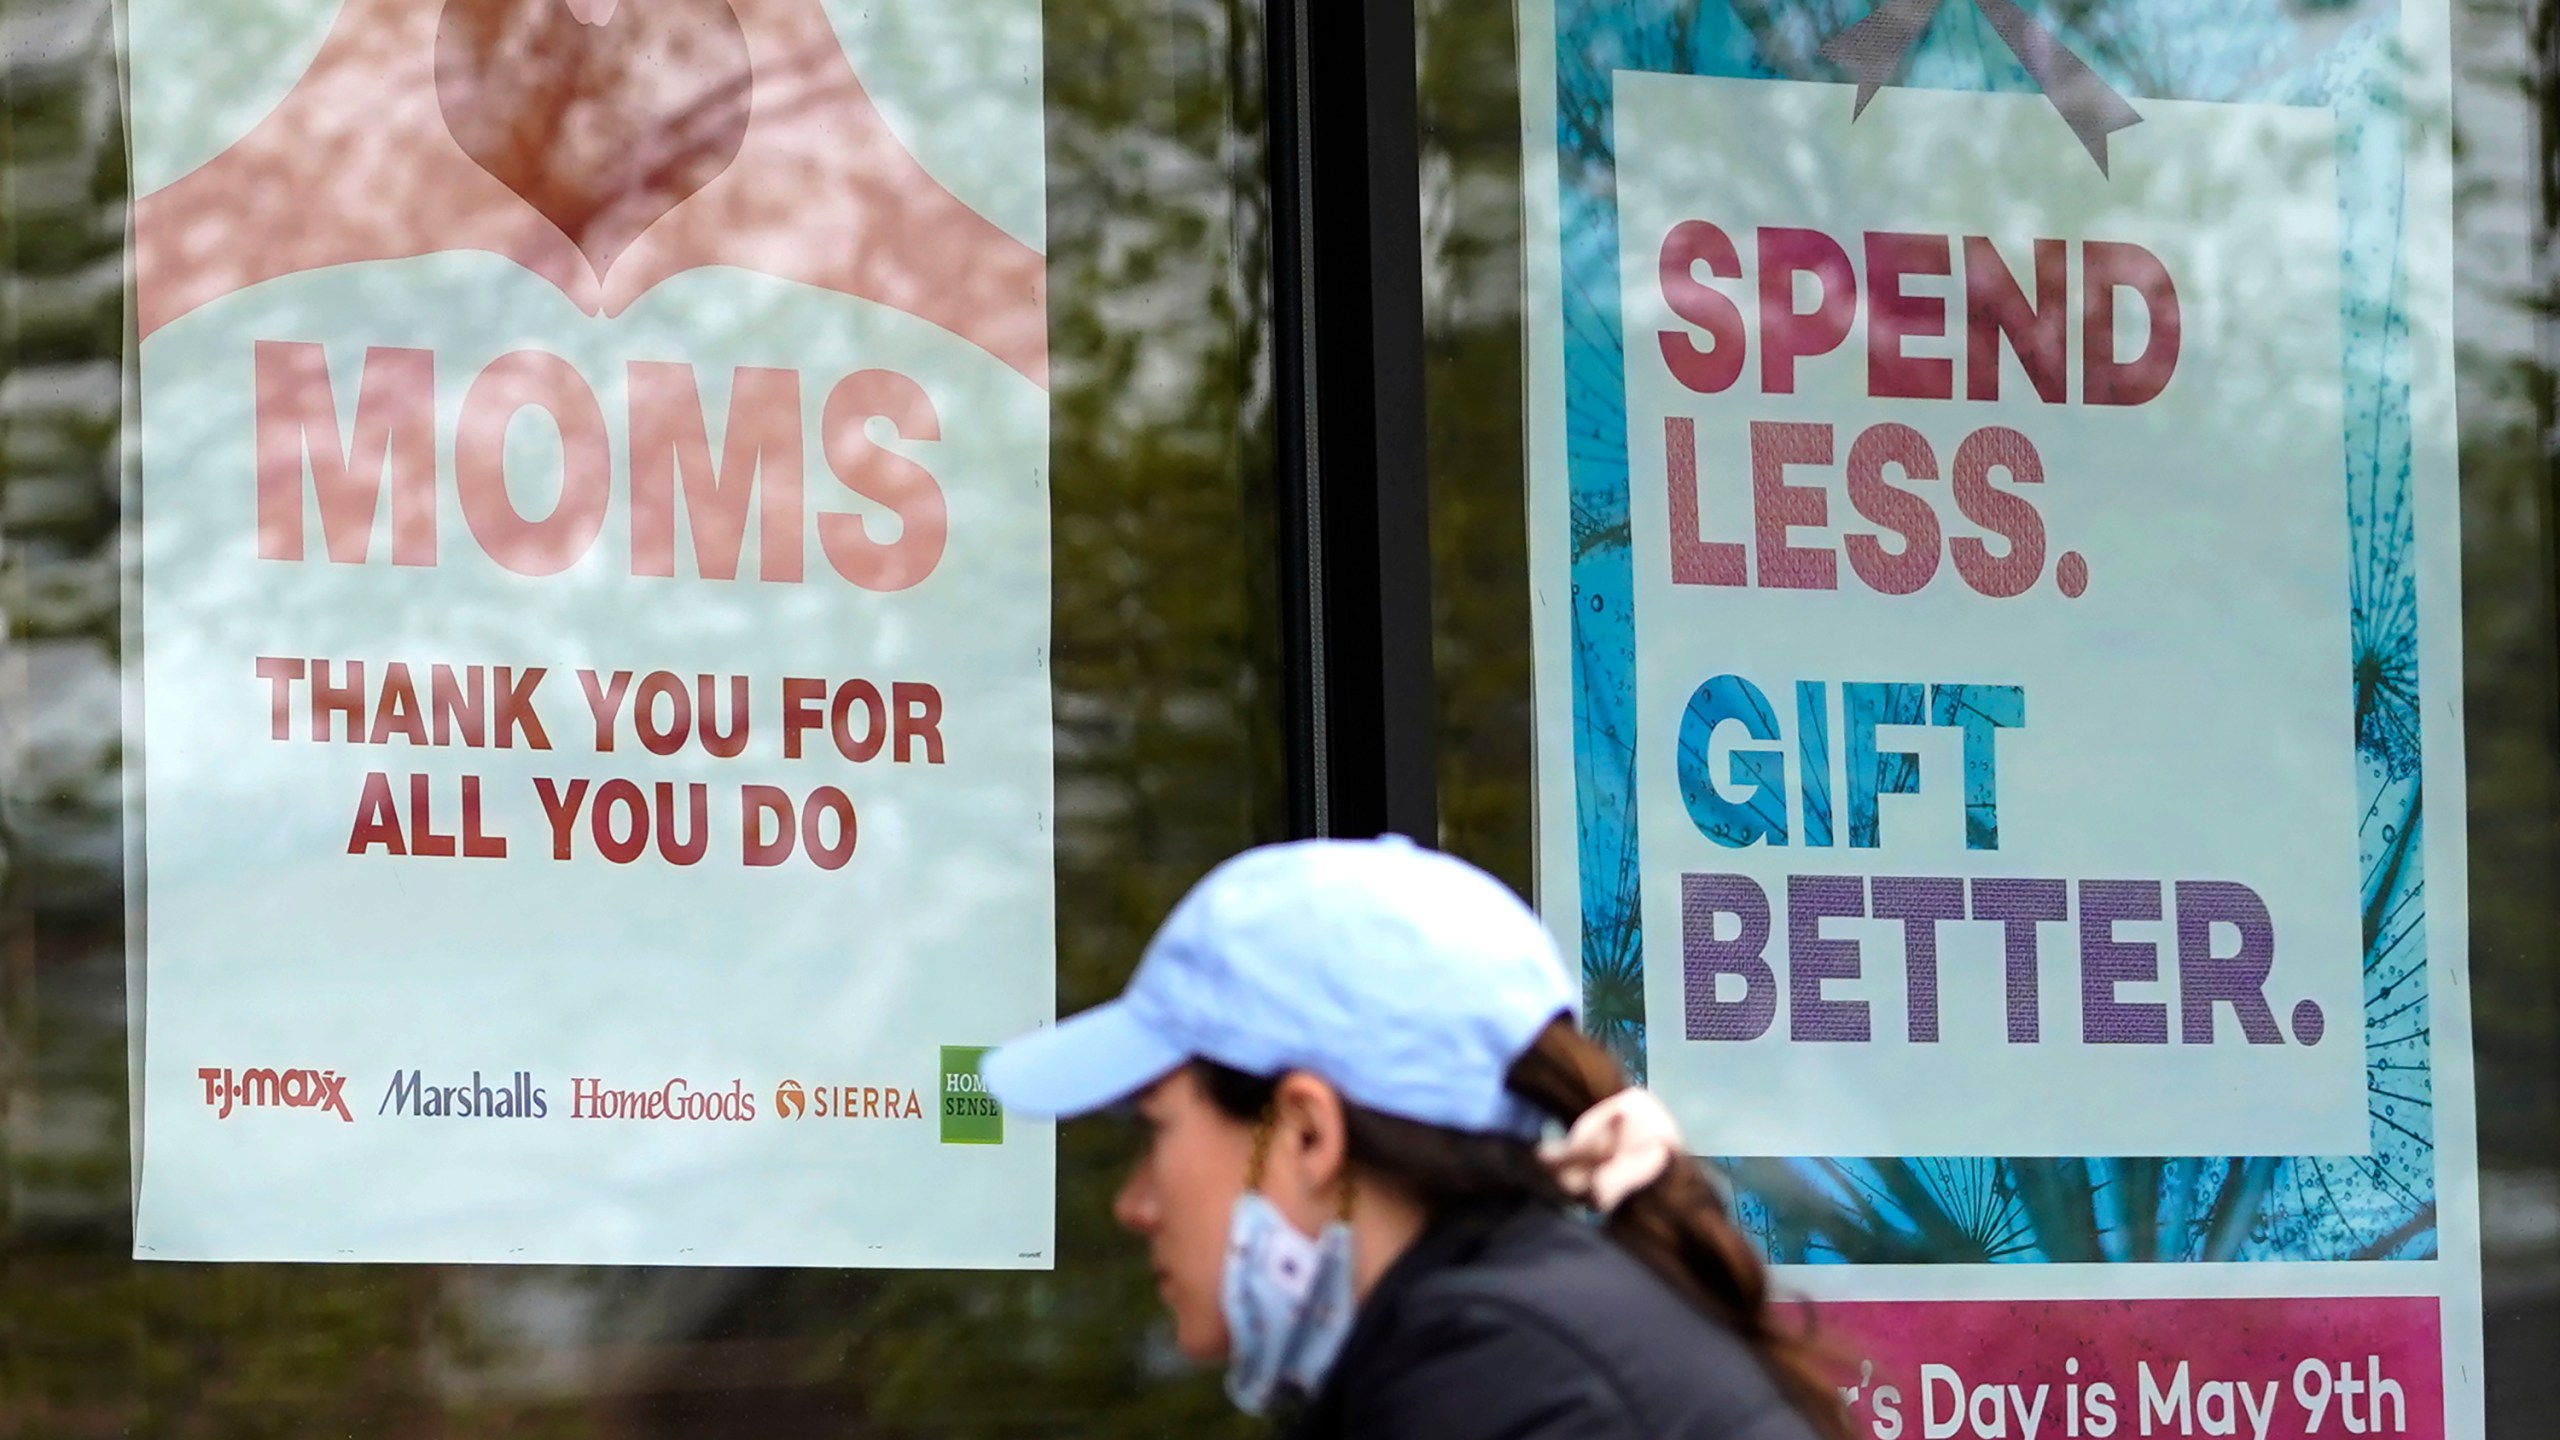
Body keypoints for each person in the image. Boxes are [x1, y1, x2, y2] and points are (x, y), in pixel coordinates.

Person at [983, 835, 1851, 1440]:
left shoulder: (1493, 1380)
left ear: (1307, 1134)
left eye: (1155, 1131)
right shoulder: (1516, 1335)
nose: (1132, 1204)